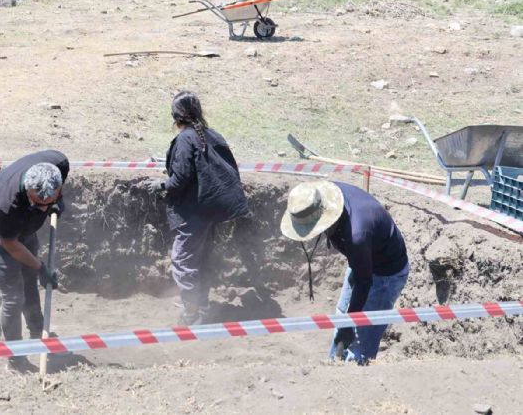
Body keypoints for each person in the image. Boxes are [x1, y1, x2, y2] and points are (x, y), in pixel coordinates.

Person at [145, 91, 249, 326]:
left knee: (182, 260)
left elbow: (180, 179)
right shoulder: (212, 135)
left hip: (194, 213)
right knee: (200, 260)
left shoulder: (185, 139)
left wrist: (161, 184)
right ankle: (201, 306)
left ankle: (192, 313)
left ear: (176, 117)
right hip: (211, 210)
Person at [280, 180, 409, 364]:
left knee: (361, 336)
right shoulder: (323, 197)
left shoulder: (356, 234)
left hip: (385, 274)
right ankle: (334, 366)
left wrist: (351, 322)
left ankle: (355, 377)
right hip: (362, 261)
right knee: (342, 317)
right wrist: (347, 321)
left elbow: (364, 282)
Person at [0, 150, 68, 371]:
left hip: (23, 227)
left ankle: (38, 332)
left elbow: (48, 198)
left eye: (49, 202)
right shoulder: (8, 205)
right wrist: (41, 267)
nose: (44, 209)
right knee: (14, 296)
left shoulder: (58, 163)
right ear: (27, 190)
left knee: (29, 279)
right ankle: (15, 359)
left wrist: (58, 202)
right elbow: (9, 244)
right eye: (38, 203)